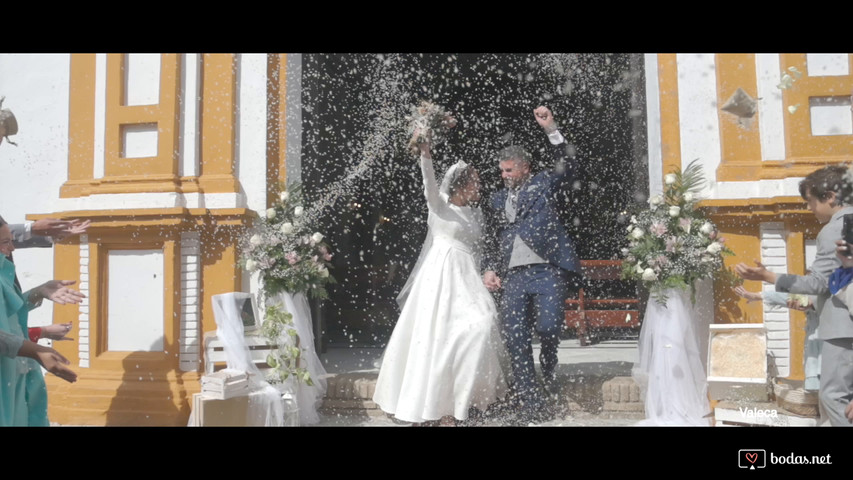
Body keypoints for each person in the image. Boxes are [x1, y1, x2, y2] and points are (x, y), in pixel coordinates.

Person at [372, 121, 508, 425]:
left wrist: (487, 271)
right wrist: (425, 151)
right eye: (475, 182)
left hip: (467, 278)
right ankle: (441, 408)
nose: (480, 186)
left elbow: (481, 249)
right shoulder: (439, 206)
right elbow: (428, 182)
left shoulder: (475, 214)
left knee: (481, 326)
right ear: (460, 185)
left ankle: (463, 398)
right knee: (436, 339)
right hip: (441, 276)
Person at [482, 106, 581, 424]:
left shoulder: (544, 184)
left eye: (509, 170)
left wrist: (551, 128)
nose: (504, 176)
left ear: (525, 168)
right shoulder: (497, 200)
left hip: (546, 270)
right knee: (515, 337)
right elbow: (490, 239)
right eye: (501, 171)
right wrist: (489, 268)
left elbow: (570, 166)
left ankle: (549, 359)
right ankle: (531, 402)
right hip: (513, 276)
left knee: (550, 327)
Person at [736, 165, 853, 426]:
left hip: (845, 328)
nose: (809, 208)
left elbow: (819, 284)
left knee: (834, 397)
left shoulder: (836, 228)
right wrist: (765, 296)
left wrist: (770, 277)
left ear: (831, 197)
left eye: (810, 201)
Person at [0, 216, 83, 425]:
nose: (12, 248)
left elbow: (10, 317)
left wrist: (38, 292)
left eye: (11, 240)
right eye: (5, 242)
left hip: (15, 379)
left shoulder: (3, 274)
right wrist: (35, 349)